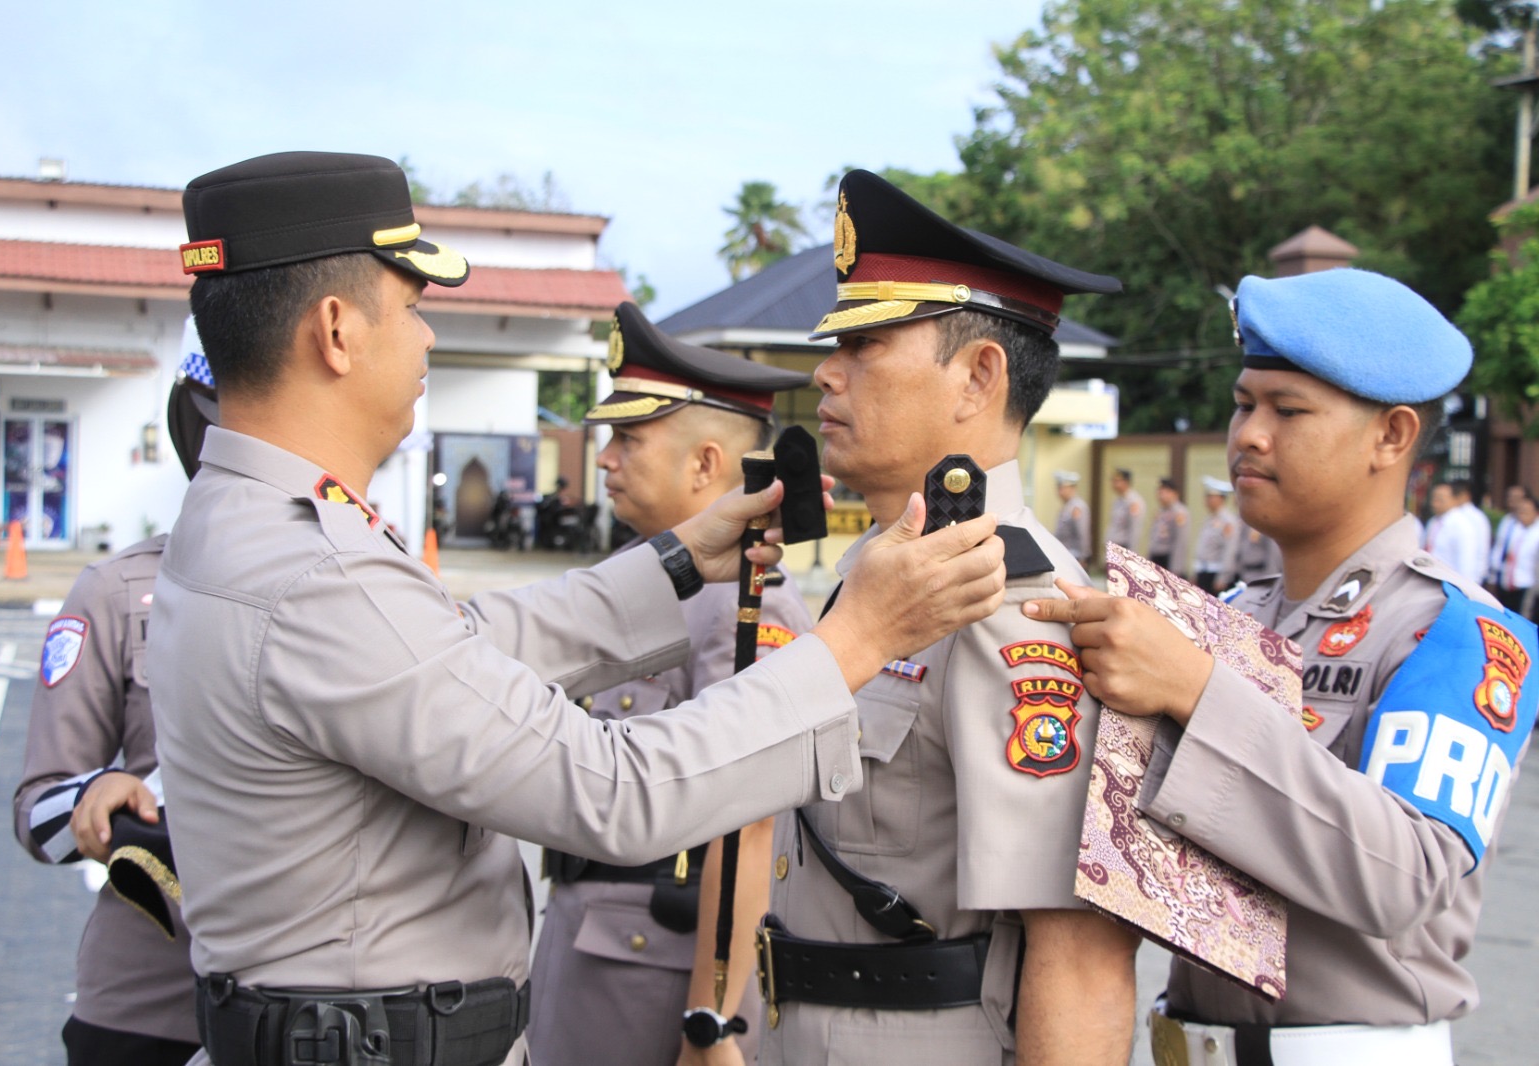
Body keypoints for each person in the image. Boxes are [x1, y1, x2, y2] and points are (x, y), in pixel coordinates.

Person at [149, 152, 1006, 1066]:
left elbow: (462, 650)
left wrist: (677, 561)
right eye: (412, 306)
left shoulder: (251, 525)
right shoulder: (314, 570)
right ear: (335, 331)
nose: (429, 337)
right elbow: (613, 791)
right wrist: (859, 639)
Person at [1025, 267, 1537, 1066]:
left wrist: (1198, 691)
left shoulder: (1458, 636)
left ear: (1392, 436)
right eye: (1243, 404)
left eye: (1288, 410)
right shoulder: (1227, 612)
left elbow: (1408, 876)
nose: (1249, 435)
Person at [754, 169, 1139, 1066]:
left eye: (867, 346)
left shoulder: (1018, 603)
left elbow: (1078, 960)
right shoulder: (887, 574)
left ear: (978, 376)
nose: (825, 372)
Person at [527, 302, 814, 1066]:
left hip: (657, 963)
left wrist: (712, 1017)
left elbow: (750, 822)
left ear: (705, 463)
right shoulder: (642, 584)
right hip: (590, 939)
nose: (605, 458)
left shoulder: (748, 602)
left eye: (629, 438)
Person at [12, 322, 217, 1066]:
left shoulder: (372, 580)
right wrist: (109, 794)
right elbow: (37, 815)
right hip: (153, 1007)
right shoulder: (119, 590)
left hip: (320, 1007)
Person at [1493, 490, 1539, 618]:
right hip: (1507, 582)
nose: (1522, 515)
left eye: (1526, 511)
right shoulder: (1512, 526)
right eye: (1520, 511)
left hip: (1527, 585)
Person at [1192, 475, 1239, 593]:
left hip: (1216, 573)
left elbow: (1230, 550)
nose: (1207, 500)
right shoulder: (1210, 519)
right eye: (1207, 497)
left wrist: (1223, 577)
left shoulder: (1228, 520)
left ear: (1221, 499)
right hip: (1204, 571)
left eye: (1211, 497)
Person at [1486, 484, 1528, 592]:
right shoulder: (1507, 520)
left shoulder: (1530, 525)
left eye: (1517, 497)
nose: (1512, 500)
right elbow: (1499, 546)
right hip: (1502, 575)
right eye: (1509, 496)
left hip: (1521, 580)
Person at [1451, 478, 1492, 585]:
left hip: (1471, 578)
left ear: (1466, 495)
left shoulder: (1476, 517)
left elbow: (1483, 548)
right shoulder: (1448, 516)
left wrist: (1477, 578)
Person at [1147, 476, 1190, 574]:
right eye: (1159, 492)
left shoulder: (1180, 512)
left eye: (1164, 492)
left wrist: (1176, 568)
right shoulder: (1160, 511)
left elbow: (1180, 542)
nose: (1160, 495)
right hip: (1157, 557)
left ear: (1173, 493)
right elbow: (1153, 537)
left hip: (1169, 558)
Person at [1052, 470, 1091, 566]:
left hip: (1075, 555)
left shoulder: (1077, 507)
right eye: (1058, 488)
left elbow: (1082, 533)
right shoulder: (1067, 506)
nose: (1060, 492)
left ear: (1072, 488)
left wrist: (1083, 556)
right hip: (1065, 554)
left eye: (1063, 488)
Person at [1231, 518, 1282, 585]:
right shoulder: (1247, 523)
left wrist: (1270, 579)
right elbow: (1240, 548)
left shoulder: (1266, 524)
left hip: (1260, 573)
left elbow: (1273, 554)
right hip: (1244, 573)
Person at [1107, 467, 1145, 555]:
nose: (1113, 484)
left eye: (1117, 481)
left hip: (1124, 548)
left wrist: (1131, 554)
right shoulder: (1118, 501)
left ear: (1126, 482)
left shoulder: (1134, 501)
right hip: (1115, 548)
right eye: (1113, 481)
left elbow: (1135, 530)